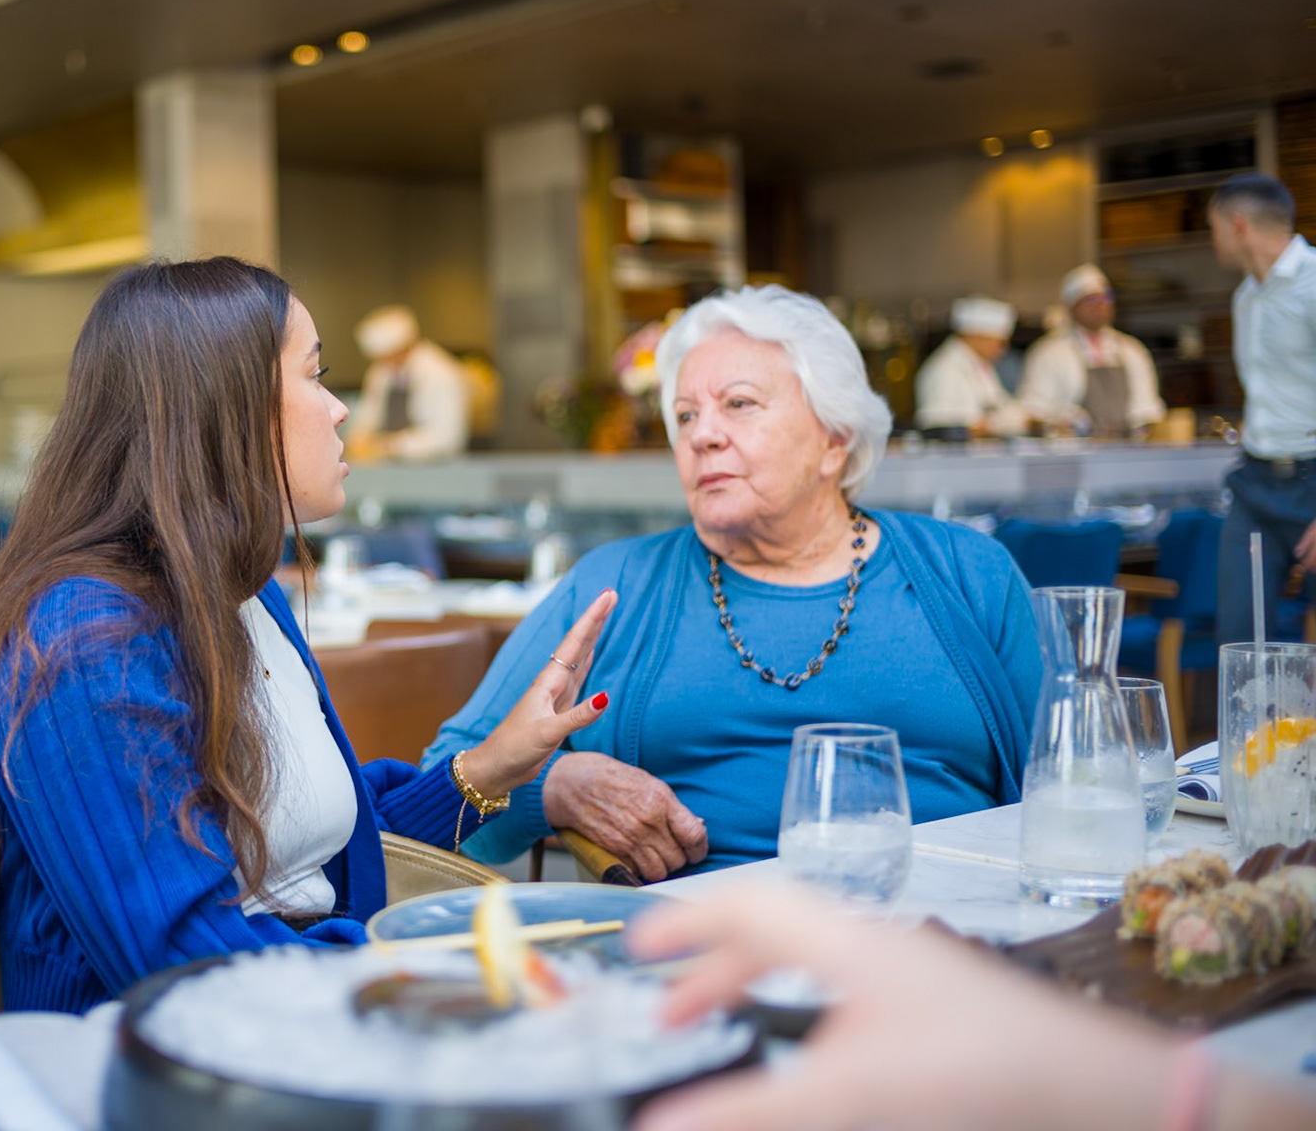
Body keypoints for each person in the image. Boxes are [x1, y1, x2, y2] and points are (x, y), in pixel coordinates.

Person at [0, 259, 616, 1013]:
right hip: (143, 1055)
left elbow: (311, 848)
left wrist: (492, 766)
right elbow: (185, 966)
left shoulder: (243, 592)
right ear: (225, 409)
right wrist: (423, 972)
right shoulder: (87, 644)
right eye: (315, 375)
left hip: (288, 1009)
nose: (339, 409)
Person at [426, 285, 1038, 881]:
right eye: (686, 415)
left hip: (946, 922)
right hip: (691, 932)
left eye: (739, 404)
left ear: (835, 439)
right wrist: (555, 788)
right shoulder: (617, 584)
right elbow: (444, 780)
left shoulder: (968, 573)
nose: (701, 435)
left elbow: (1066, 775)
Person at [625, 880, 1316, 1131]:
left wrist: (1144, 1095)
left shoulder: (977, 593)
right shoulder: (619, 601)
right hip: (712, 945)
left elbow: (1033, 772)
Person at [1211, 174, 1316, 646]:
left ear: (1238, 226)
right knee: (1238, 637)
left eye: (1214, 228)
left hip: (1313, 480)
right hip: (1255, 482)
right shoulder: (1245, 296)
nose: (1213, 240)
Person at [1018, 264, 1165, 439]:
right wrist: (1061, 423)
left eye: (1106, 298)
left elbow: (1147, 408)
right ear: (1071, 306)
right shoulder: (1047, 354)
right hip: (1073, 451)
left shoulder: (1132, 350)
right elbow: (1034, 411)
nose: (1100, 306)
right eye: (1090, 300)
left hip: (1126, 449)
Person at [343, 304, 470, 461]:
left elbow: (448, 438)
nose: (383, 363)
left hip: (434, 465)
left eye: (388, 356)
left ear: (404, 347)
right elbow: (369, 413)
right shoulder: (381, 371)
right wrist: (358, 439)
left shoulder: (440, 373)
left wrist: (390, 446)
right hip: (390, 465)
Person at [914, 296, 1031, 438]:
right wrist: (993, 425)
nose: (1003, 349)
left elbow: (999, 405)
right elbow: (939, 427)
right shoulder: (945, 369)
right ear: (976, 336)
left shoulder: (980, 366)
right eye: (999, 342)